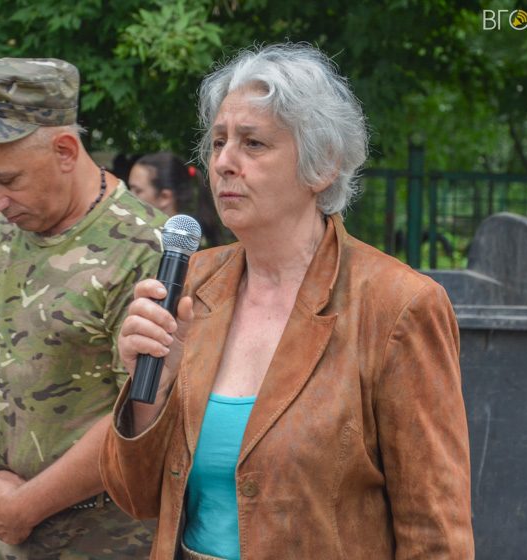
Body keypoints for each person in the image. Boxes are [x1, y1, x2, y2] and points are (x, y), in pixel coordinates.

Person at [99, 43, 474, 559]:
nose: (224, 162)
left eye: (253, 143)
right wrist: (152, 395)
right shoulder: (192, 284)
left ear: (323, 165)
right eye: (218, 142)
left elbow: (435, 534)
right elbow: (138, 499)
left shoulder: (397, 307)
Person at [0, 57, 165, 559]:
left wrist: (24, 507)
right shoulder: (4, 223)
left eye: (6, 179)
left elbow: (140, 411)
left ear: (65, 151)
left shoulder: (144, 247)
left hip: (101, 541)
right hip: (2, 525)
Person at [128, 151, 225, 247]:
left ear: (164, 197)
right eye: (129, 189)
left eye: (137, 191)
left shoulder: (168, 247)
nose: (128, 196)